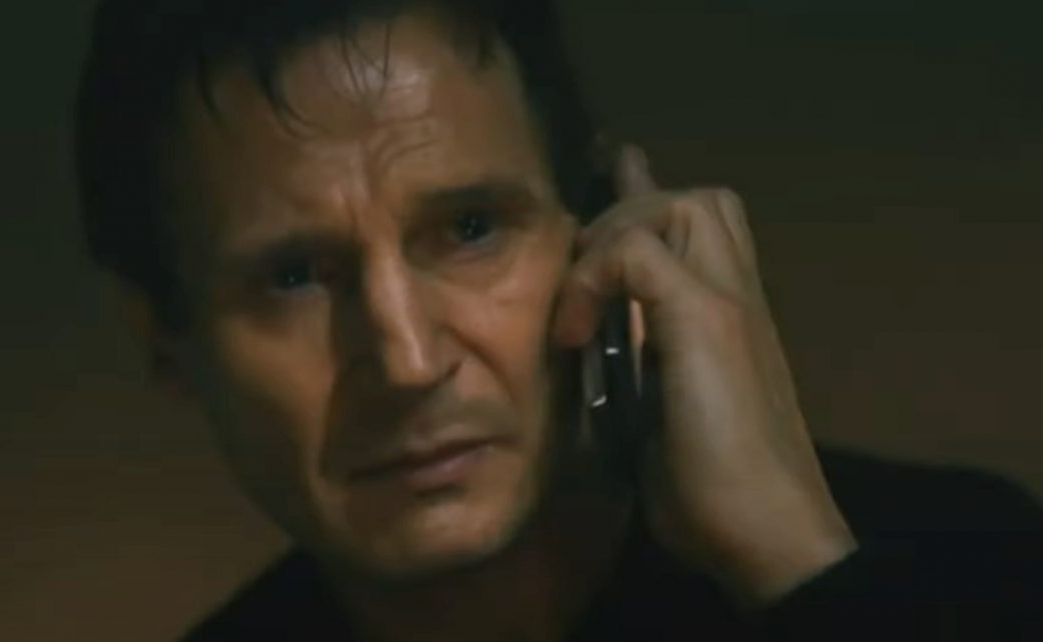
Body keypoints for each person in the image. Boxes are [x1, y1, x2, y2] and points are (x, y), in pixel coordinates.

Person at [73, 0, 1043, 639]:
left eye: (470, 228)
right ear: (164, 337)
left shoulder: (976, 571)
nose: (408, 360)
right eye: (293, 277)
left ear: (601, 226)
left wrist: (798, 568)